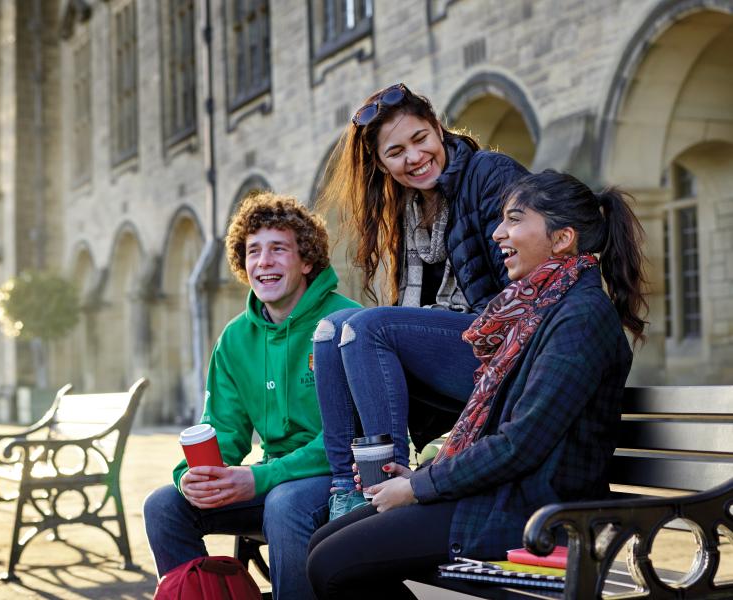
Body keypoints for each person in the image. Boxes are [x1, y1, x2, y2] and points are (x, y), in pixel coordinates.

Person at [305, 170, 648, 598]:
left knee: (332, 565)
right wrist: (423, 474)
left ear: (562, 240)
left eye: (515, 220)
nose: (498, 232)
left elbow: (519, 444)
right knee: (321, 546)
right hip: (500, 494)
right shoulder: (537, 309)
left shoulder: (580, 318)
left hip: (533, 510)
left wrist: (416, 488)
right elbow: (499, 432)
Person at [312, 83, 529, 516]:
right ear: (380, 163)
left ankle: (388, 489)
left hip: (507, 355)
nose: (413, 157)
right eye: (395, 152)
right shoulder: (408, 208)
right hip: (458, 355)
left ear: (438, 128)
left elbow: (527, 286)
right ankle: (347, 491)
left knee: (365, 328)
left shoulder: (491, 175)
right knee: (329, 331)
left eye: (420, 139)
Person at [143, 192, 360, 600]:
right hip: (273, 480)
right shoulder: (234, 339)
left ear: (307, 261)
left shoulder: (346, 322)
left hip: (340, 482)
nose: (264, 262)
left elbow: (347, 440)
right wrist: (195, 477)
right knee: (164, 505)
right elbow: (222, 429)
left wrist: (259, 477)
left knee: (284, 503)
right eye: (253, 251)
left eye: (279, 249)